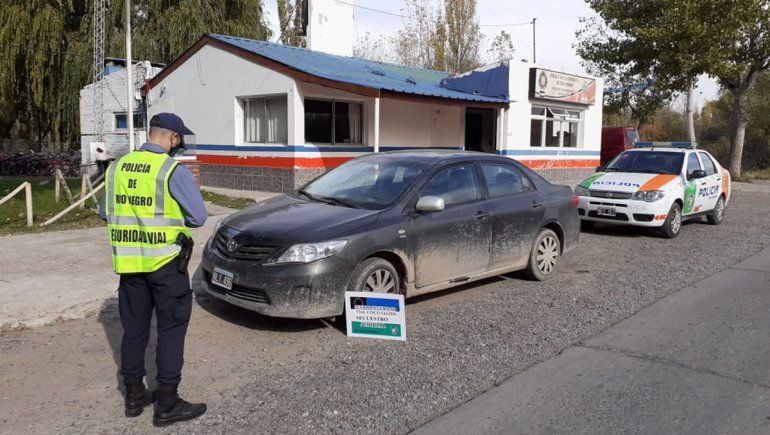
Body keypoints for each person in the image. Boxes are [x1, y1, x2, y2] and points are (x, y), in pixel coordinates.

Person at [99, 113, 207, 426]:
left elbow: (106, 213)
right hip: (166, 265)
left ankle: (133, 397)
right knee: (171, 330)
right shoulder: (172, 169)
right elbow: (198, 217)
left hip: (130, 266)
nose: (180, 144)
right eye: (179, 139)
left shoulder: (116, 167)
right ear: (173, 138)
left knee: (134, 331)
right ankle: (167, 404)